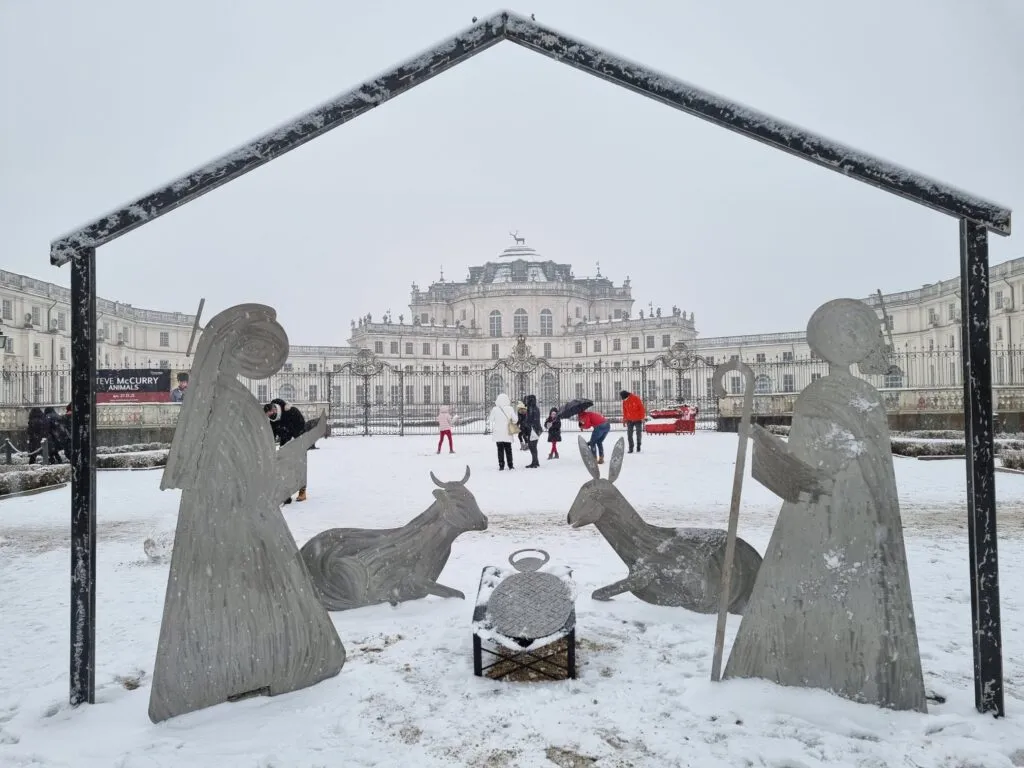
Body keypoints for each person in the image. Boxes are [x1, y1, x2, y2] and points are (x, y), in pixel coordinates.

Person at [264, 399, 308, 503]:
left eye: (271, 413)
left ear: (274, 409)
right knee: (284, 467)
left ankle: (302, 491)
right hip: (285, 443)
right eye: (268, 415)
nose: (270, 416)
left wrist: (295, 440)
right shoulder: (273, 420)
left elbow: (301, 424)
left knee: (299, 467)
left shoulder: (291, 411)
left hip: (298, 441)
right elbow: (272, 435)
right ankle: (286, 493)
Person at [488, 392, 518, 470]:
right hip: (507, 432)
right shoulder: (510, 408)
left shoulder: (495, 409)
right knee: (508, 449)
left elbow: (491, 419)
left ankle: (501, 465)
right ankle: (510, 465)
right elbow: (515, 420)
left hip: (498, 433)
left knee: (500, 450)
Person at [620, 389, 647, 454]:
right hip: (629, 420)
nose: (624, 400)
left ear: (627, 396)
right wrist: (624, 419)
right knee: (629, 434)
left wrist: (642, 417)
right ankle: (631, 448)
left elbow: (641, 408)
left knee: (638, 433)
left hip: (638, 419)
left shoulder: (636, 398)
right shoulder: (624, 401)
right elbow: (625, 411)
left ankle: (638, 446)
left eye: (624, 398)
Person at [522, 394, 543, 468]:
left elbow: (535, 420)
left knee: (532, 446)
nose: (526, 401)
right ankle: (535, 462)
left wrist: (528, 424)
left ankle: (534, 462)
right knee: (532, 446)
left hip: (534, 430)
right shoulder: (530, 408)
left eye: (527, 399)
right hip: (532, 429)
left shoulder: (533, 408)